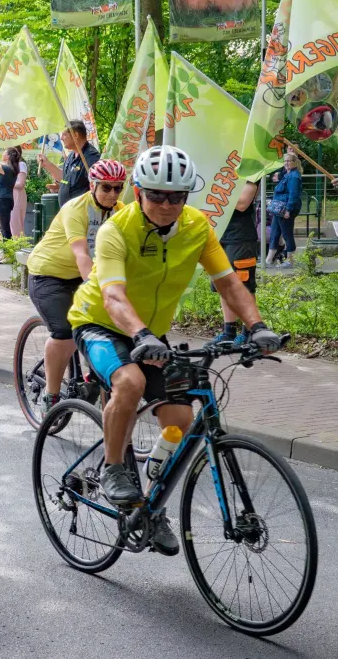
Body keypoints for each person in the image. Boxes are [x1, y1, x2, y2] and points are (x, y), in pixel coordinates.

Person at [68, 145, 282, 555]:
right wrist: (140, 335)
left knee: (181, 418)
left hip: (151, 333)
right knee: (129, 382)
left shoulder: (197, 227)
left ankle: (150, 506)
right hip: (100, 322)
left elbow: (228, 283)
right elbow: (113, 296)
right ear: (138, 191)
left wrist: (257, 327)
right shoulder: (117, 230)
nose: (167, 205)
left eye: (177, 196)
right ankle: (113, 467)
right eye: (156, 195)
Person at [25, 159, 127, 415]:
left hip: (81, 276)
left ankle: (91, 377)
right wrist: (97, 290)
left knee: (105, 327)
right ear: (93, 186)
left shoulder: (120, 211)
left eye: (118, 188)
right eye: (106, 188)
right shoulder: (76, 208)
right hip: (48, 273)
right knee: (65, 332)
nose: (113, 194)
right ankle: (51, 395)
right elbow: (81, 253)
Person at [212, 182, 261, 344]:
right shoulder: (221, 170)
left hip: (241, 237)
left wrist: (213, 196)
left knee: (244, 285)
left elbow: (242, 203)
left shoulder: (250, 172)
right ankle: (229, 332)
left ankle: (249, 332)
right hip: (219, 233)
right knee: (222, 283)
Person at [37, 120, 101, 208]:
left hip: (82, 210)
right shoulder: (71, 155)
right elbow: (64, 177)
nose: (61, 138)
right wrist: (47, 165)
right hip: (68, 211)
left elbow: (97, 186)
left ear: (76, 135)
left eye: (64, 134)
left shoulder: (91, 157)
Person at [266, 151, 303, 268]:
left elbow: (293, 195)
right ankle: (269, 260)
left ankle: (290, 261)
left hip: (285, 209)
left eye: (289, 161)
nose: (286, 163)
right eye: (285, 161)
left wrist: (288, 210)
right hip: (279, 210)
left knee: (287, 234)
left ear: (295, 162)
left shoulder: (294, 176)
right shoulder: (287, 174)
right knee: (274, 233)